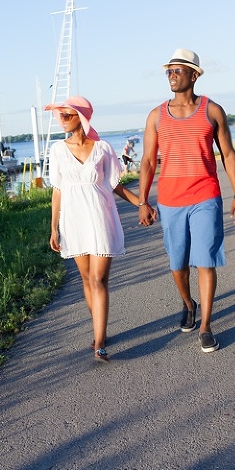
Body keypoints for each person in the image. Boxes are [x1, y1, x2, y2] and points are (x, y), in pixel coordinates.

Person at [138, 48, 235, 353]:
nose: (172, 76)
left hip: (205, 196)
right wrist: (143, 201)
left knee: (205, 260)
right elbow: (147, 161)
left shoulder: (212, 111)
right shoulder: (156, 115)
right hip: (170, 200)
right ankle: (188, 302)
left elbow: (228, 154)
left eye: (177, 70)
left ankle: (206, 327)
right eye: (169, 71)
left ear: (194, 75)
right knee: (177, 265)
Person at [47, 95, 145, 362]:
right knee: (86, 279)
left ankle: (100, 343)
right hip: (73, 220)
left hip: (100, 218)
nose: (61, 120)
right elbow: (57, 191)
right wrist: (54, 228)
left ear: (81, 117)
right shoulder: (57, 150)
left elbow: (115, 185)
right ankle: (98, 328)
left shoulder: (102, 148)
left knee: (99, 279)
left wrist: (141, 203)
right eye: (60, 115)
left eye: (66, 115)